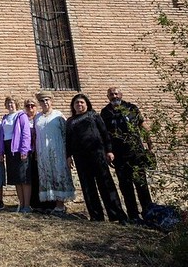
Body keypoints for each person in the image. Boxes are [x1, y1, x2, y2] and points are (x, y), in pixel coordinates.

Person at [66, 93, 127, 223]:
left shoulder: (93, 115)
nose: (79, 105)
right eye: (77, 103)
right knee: (88, 186)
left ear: (87, 104)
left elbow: (104, 133)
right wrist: (68, 156)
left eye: (82, 102)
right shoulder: (70, 121)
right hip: (80, 157)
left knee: (105, 183)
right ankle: (96, 215)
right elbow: (68, 140)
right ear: (73, 106)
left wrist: (109, 150)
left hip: (97, 154)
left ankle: (116, 214)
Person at [100, 87, 154, 221]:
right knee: (125, 186)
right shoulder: (105, 112)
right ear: (108, 97)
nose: (114, 96)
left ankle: (149, 213)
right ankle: (133, 216)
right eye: (111, 94)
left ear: (121, 95)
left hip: (136, 152)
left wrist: (149, 143)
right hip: (119, 155)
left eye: (116, 93)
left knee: (141, 184)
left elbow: (141, 126)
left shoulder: (131, 108)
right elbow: (104, 134)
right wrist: (108, 151)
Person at [33, 91, 75, 214]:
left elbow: (65, 134)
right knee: (47, 176)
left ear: (51, 101)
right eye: (42, 101)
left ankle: (60, 205)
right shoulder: (38, 117)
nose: (45, 102)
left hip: (58, 150)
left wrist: (68, 155)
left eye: (47, 100)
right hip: (43, 152)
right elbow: (36, 135)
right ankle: (51, 204)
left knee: (58, 174)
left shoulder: (58, 116)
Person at [7, 97, 34, 213]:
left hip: (20, 149)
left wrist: (24, 150)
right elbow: (4, 135)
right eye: (8, 103)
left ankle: (27, 205)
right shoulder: (5, 117)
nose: (10, 105)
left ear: (16, 104)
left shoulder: (21, 115)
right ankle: (21, 204)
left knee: (24, 178)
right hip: (10, 150)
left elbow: (26, 133)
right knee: (17, 179)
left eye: (12, 103)